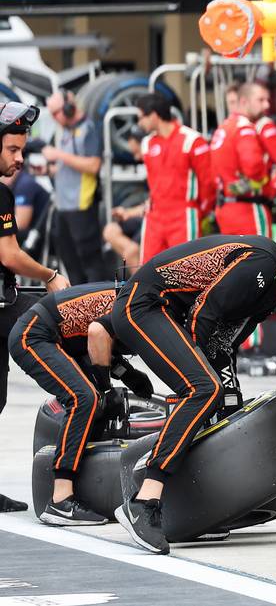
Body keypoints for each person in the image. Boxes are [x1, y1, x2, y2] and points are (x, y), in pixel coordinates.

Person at [109, 218, 276, 554]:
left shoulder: (275, 291)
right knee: (202, 389)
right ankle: (145, 501)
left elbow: (226, 343)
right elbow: (203, 315)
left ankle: (199, 499)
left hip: (170, 313)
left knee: (219, 395)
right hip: (146, 305)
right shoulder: (265, 262)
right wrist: (204, 379)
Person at [9, 282, 152, 525]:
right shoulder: (137, 304)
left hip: (60, 339)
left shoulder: (139, 297)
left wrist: (127, 375)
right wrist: (108, 387)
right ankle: (60, 500)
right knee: (84, 398)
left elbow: (96, 342)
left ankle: (84, 487)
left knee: (95, 399)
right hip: (33, 335)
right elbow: (97, 334)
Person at [0, 102, 69, 513]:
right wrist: (49, 275)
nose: (19, 159)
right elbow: (8, 254)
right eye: (11, 150)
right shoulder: (2, 194)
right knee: (59, 321)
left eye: (22, 150)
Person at [123, 93, 215, 263]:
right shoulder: (147, 144)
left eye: (141, 117)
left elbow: (208, 183)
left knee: (185, 270)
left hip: (184, 214)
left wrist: (198, 211)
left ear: (154, 115)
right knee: (148, 270)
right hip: (154, 216)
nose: (139, 123)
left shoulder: (192, 140)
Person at [44, 90, 106, 284]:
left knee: (90, 260)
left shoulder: (88, 129)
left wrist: (59, 155)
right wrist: (49, 169)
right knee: (69, 260)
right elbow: (70, 166)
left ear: (69, 107)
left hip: (81, 204)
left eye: (56, 113)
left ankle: (98, 306)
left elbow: (93, 165)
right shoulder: (66, 131)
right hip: (64, 205)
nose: (55, 119)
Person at [211, 82, 275, 238]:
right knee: (264, 258)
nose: (266, 105)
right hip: (248, 209)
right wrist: (266, 181)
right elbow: (253, 167)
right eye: (260, 100)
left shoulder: (224, 127)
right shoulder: (244, 128)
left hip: (225, 208)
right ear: (244, 102)